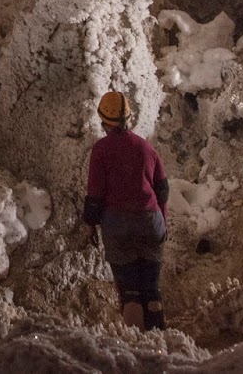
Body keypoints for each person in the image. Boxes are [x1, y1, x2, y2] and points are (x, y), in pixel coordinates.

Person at [81, 90, 170, 330]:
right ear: (128, 118)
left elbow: (96, 194)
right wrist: (162, 219)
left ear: (103, 122)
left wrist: (90, 223)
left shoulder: (101, 150)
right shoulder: (145, 147)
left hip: (118, 224)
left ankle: (136, 347)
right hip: (151, 220)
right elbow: (162, 189)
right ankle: (162, 344)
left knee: (130, 291)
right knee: (151, 289)